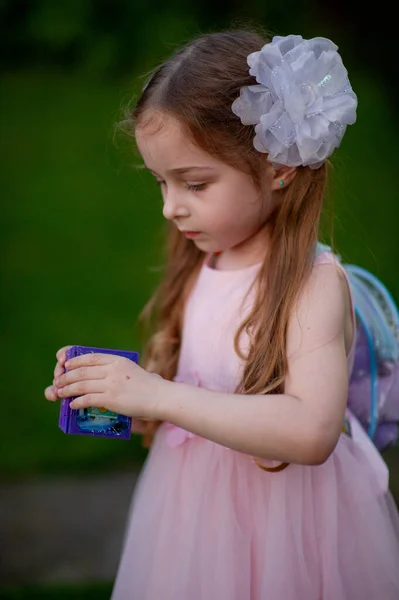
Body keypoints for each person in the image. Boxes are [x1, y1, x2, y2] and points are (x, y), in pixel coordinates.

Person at [45, 30, 399, 599]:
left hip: (285, 525)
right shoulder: (201, 261)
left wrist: (160, 394)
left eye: (195, 183)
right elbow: (188, 404)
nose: (170, 206)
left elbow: (312, 432)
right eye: (161, 182)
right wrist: (121, 400)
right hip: (192, 518)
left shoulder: (312, 284)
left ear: (278, 169)